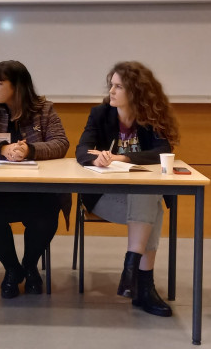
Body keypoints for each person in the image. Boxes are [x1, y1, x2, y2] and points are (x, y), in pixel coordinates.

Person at [76, 61, 180, 317]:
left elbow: (162, 151)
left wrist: (123, 158)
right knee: (153, 203)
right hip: (104, 198)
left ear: (134, 91)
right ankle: (142, 285)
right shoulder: (100, 114)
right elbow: (81, 150)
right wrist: (96, 158)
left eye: (118, 86)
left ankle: (132, 271)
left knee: (146, 192)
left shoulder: (149, 118)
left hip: (138, 200)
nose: (111, 91)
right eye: (111, 85)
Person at [0, 60, 70, 299]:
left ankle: (30, 265)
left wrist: (29, 150)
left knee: (47, 212)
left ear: (18, 86)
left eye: (0, 83)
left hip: (37, 190)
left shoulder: (44, 109)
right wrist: (2, 148)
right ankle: (13, 269)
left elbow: (61, 143)